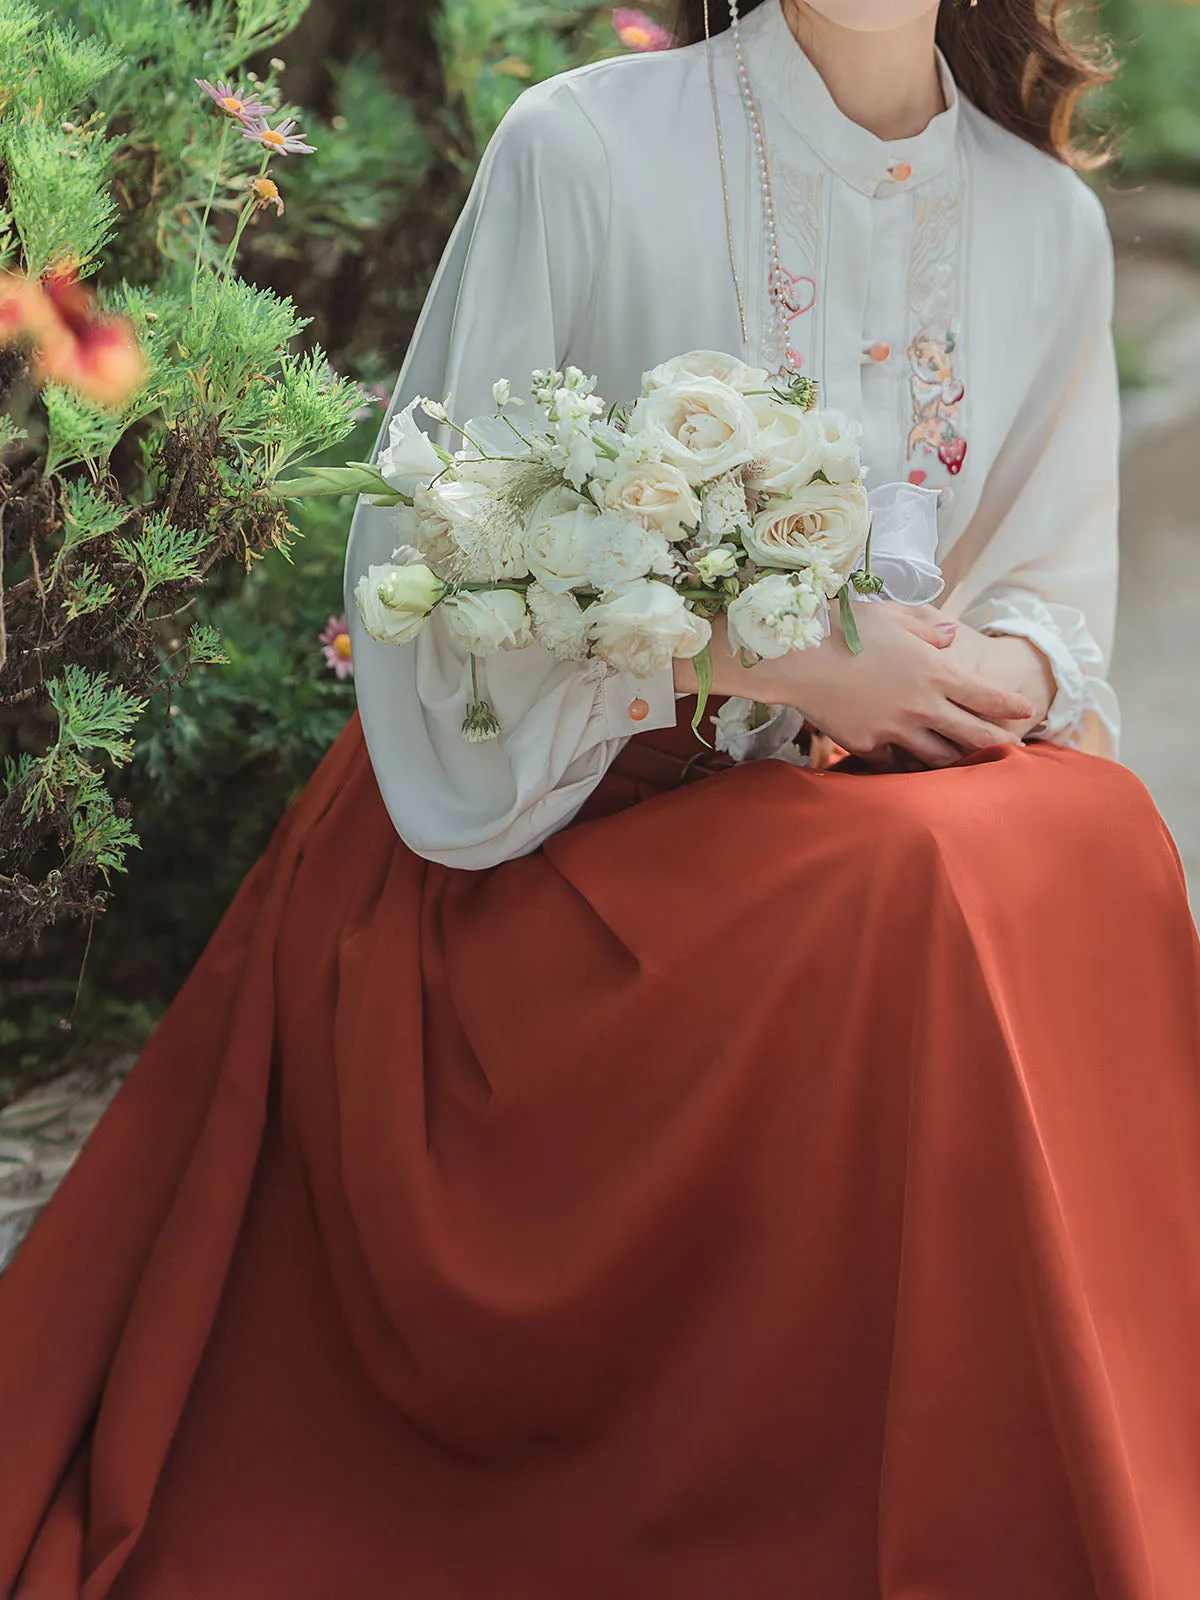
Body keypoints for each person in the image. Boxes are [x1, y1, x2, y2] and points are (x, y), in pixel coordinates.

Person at [2, 0, 1199, 1594]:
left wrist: (981, 681)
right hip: (557, 833)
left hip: (860, 815)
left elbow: (1054, 600)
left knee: (1094, 837)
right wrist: (783, 659)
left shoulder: (1043, 221)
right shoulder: (581, 143)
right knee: (923, 889)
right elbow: (431, 556)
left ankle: (1033, 1485)